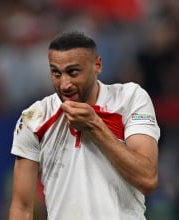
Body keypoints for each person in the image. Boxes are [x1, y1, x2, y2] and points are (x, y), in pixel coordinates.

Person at [9, 31, 160, 220]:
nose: (64, 84)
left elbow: (147, 179)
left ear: (97, 65)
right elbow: (22, 207)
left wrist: (94, 125)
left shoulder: (130, 99)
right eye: (56, 73)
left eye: (73, 72)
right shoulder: (34, 118)